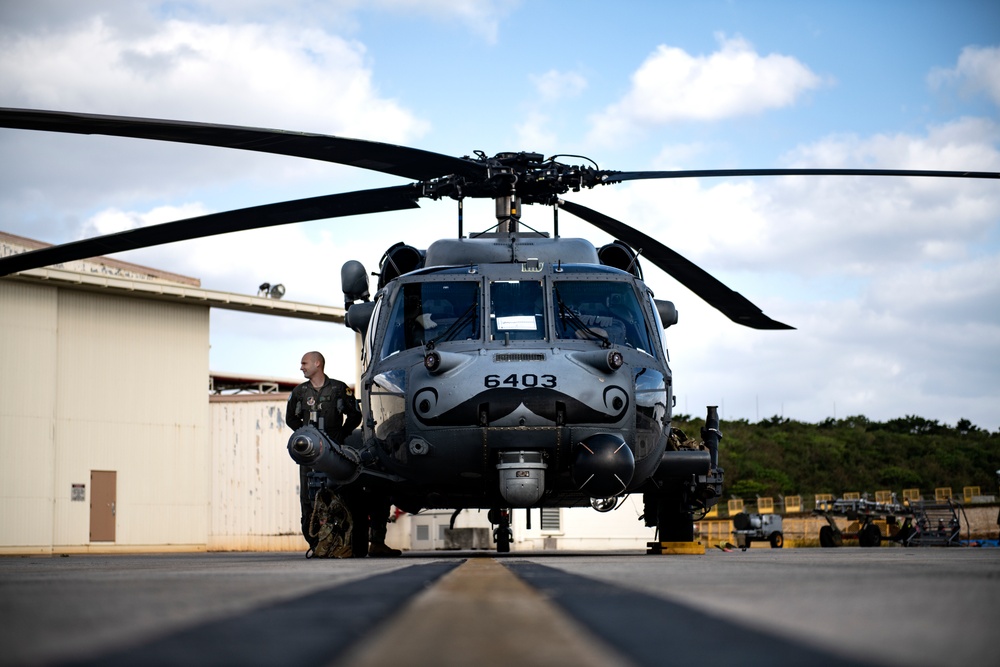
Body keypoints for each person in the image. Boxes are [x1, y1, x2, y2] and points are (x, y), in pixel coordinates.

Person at [285, 351, 400, 557]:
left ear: (317, 364)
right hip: (310, 457)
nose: (301, 367)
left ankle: (345, 542)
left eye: (304, 363)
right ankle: (317, 543)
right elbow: (290, 419)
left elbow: (355, 415)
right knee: (308, 500)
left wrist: (341, 435)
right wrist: (306, 436)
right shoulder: (300, 392)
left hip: (336, 453)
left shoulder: (339, 389)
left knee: (344, 495)